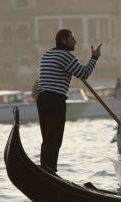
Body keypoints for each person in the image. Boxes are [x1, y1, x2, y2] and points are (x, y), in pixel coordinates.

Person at [36, 29, 101, 172]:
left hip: (41, 98)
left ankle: (45, 169)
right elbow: (84, 73)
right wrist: (94, 58)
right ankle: (50, 170)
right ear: (64, 41)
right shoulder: (66, 56)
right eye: (72, 39)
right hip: (55, 99)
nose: (75, 41)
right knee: (55, 138)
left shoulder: (47, 54)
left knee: (47, 138)